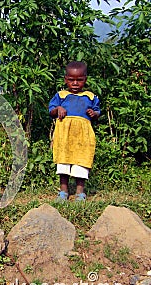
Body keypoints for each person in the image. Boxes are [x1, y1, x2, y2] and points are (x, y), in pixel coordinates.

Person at [49, 61, 100, 202]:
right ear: (66, 79)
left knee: (81, 162)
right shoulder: (61, 95)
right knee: (63, 161)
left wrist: (93, 114)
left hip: (83, 136)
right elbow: (51, 111)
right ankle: (63, 191)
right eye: (71, 80)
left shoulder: (90, 96)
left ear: (85, 79)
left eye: (79, 80)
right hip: (64, 135)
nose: (75, 83)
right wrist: (58, 109)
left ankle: (80, 192)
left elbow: (97, 112)